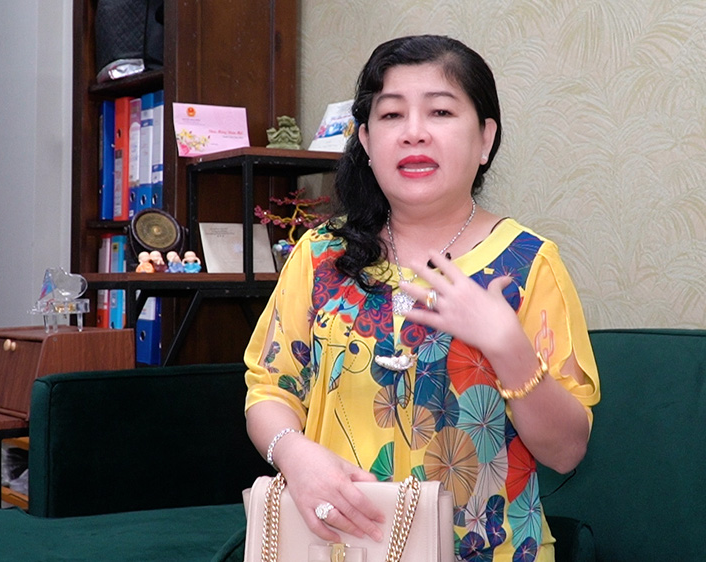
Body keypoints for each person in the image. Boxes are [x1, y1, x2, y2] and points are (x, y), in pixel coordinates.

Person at [244, 34, 600, 561]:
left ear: (485, 138)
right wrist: (292, 454)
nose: (414, 132)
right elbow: (269, 390)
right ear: (367, 141)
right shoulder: (320, 255)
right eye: (391, 115)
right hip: (339, 546)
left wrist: (507, 345)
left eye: (440, 112)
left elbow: (566, 451)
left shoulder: (528, 263)